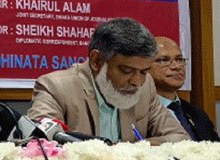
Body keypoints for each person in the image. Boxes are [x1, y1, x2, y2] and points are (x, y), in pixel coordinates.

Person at [27, 18, 188, 145]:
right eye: (127, 71)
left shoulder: (146, 87)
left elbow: (180, 138)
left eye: (144, 72)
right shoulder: (56, 88)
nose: (137, 81)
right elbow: (39, 145)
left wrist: (134, 150)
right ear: (97, 61)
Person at [149, 36, 219, 141]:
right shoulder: (140, 115)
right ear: (144, 66)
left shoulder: (197, 113)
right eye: (164, 60)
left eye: (179, 59)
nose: (176, 66)